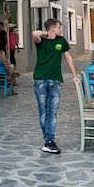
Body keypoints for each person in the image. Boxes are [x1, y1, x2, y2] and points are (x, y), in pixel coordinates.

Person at [31, 19, 78, 154]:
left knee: (52, 112)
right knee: (43, 112)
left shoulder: (61, 40)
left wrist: (74, 75)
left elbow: (68, 57)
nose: (61, 29)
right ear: (52, 29)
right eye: (59, 27)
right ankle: (49, 141)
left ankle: (49, 141)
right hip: (40, 79)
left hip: (55, 80)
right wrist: (46, 33)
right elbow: (34, 34)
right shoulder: (41, 41)